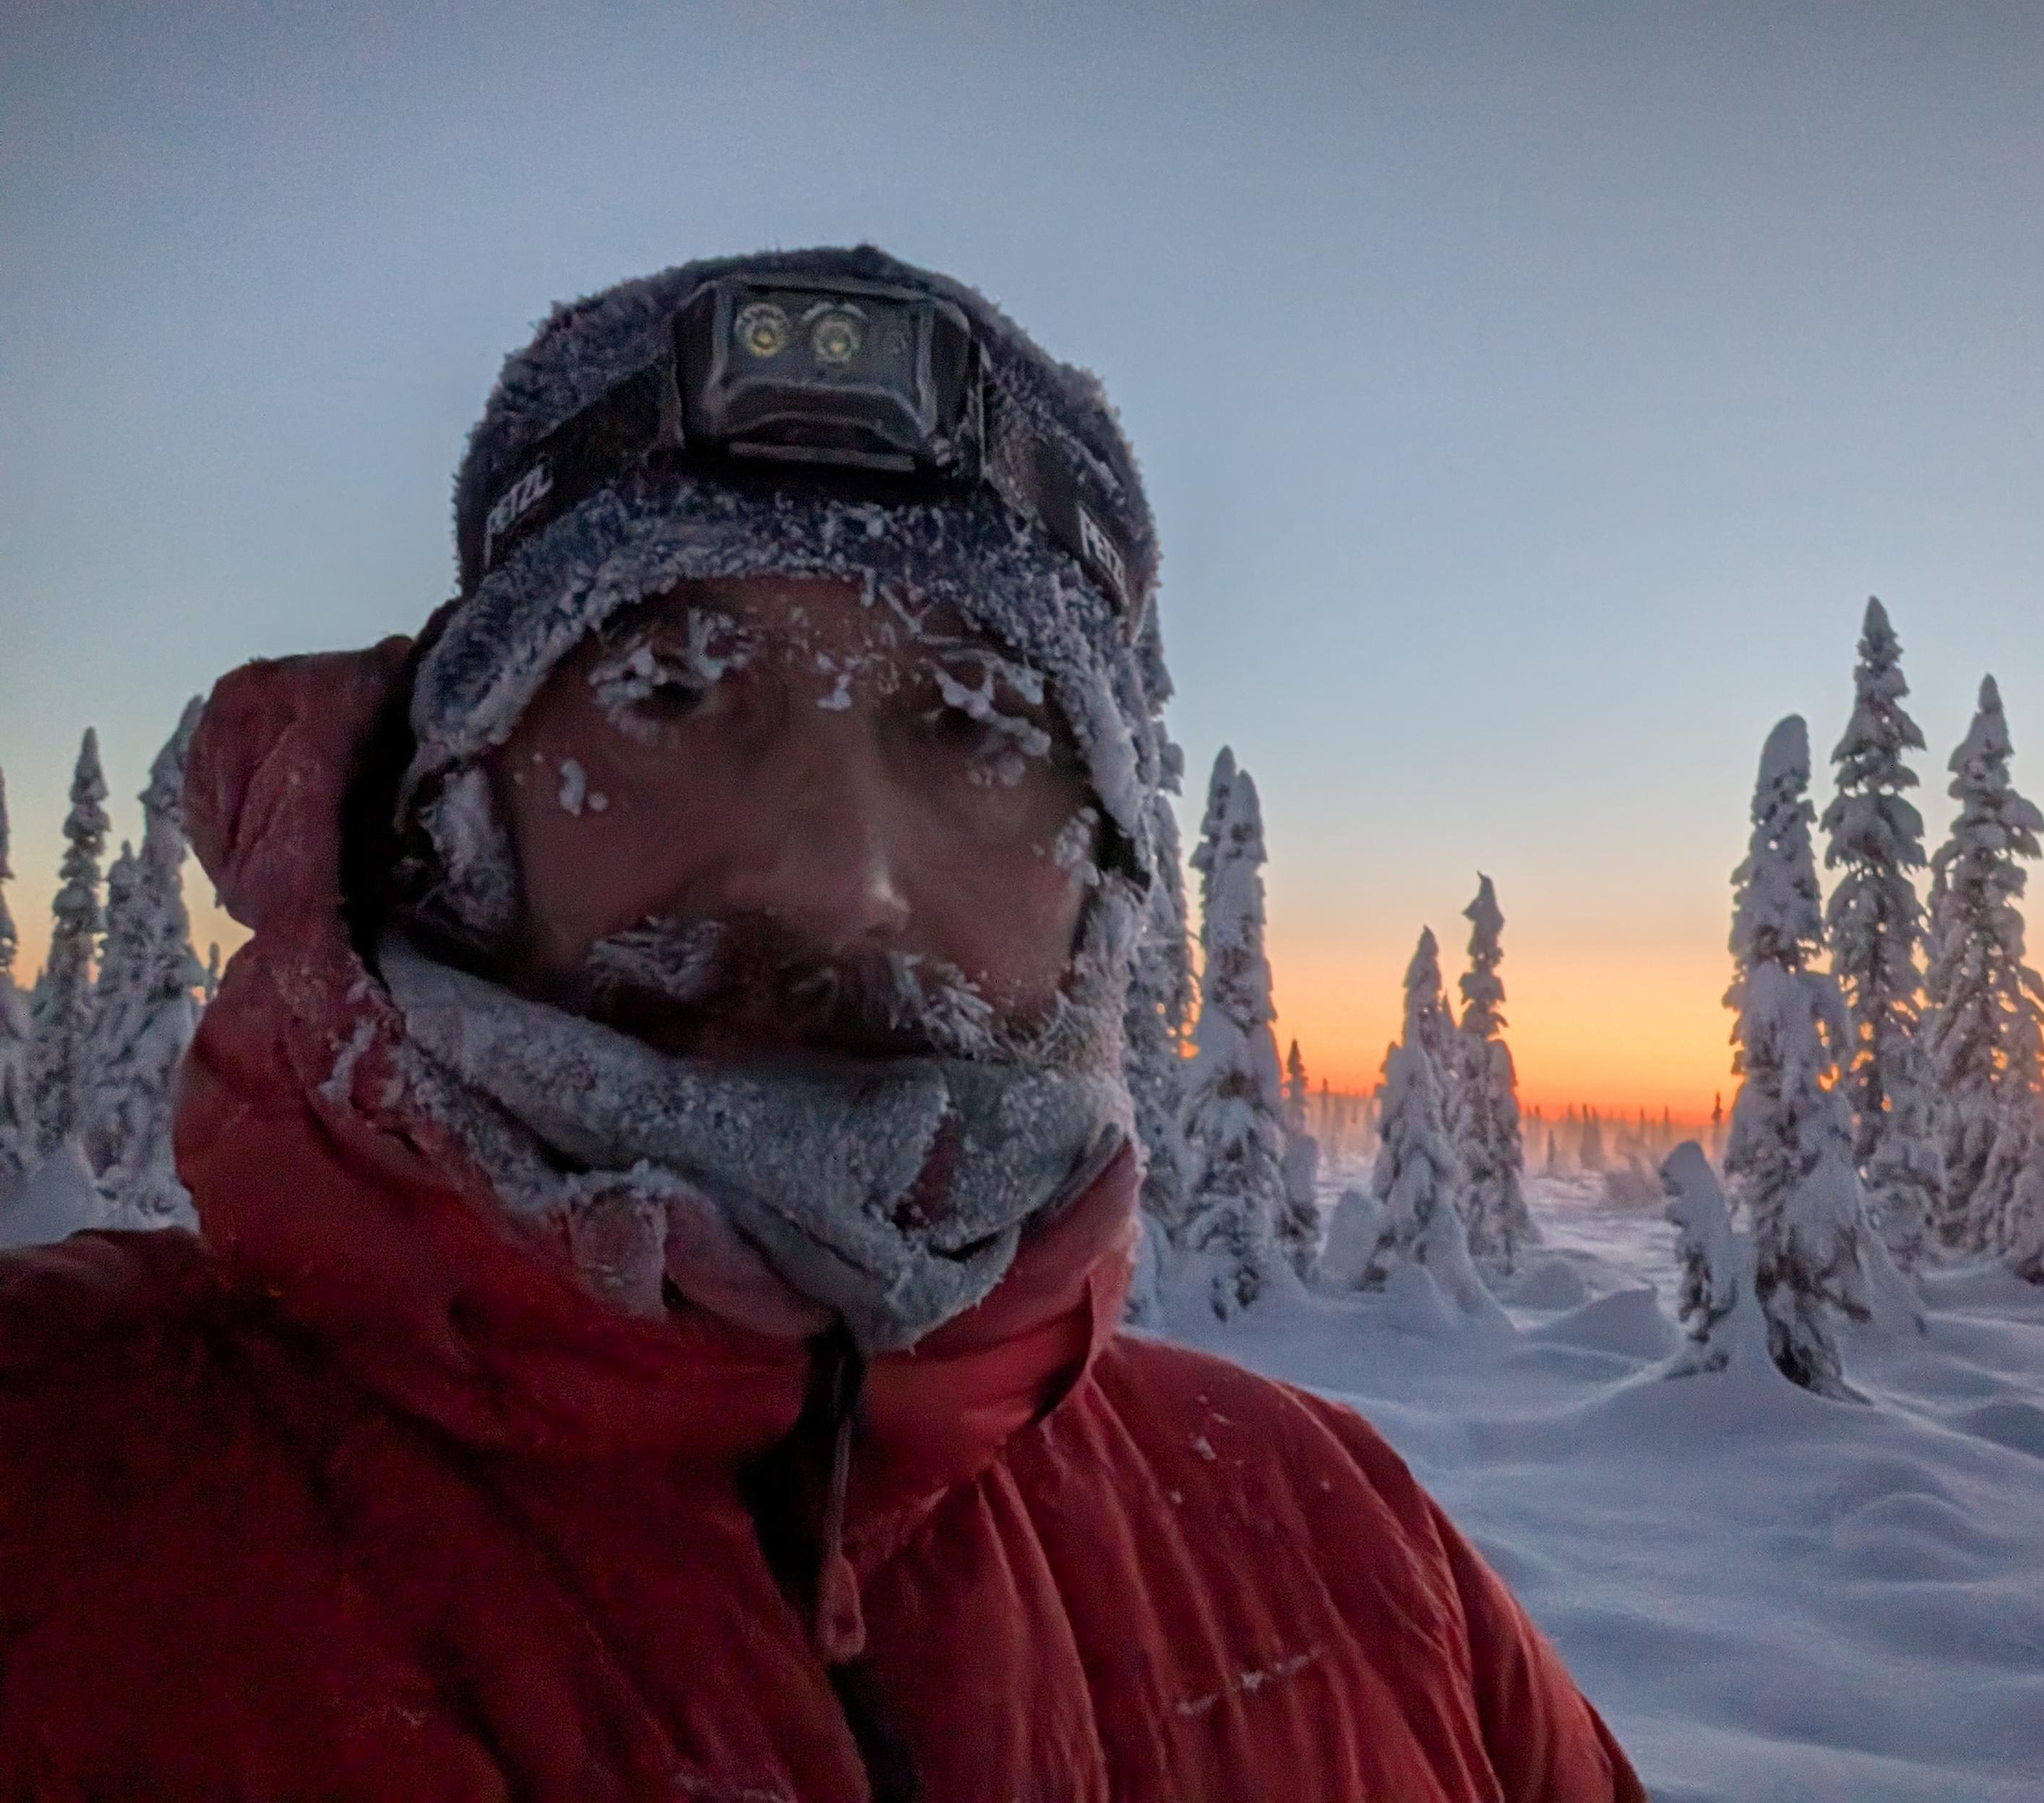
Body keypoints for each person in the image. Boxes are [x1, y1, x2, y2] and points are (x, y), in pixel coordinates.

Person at [0, 247, 1644, 1801]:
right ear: (460, 811)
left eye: (973, 724)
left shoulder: (1348, 1558)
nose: (835, 872)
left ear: (1106, 890)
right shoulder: (60, 1487)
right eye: (672, 692)